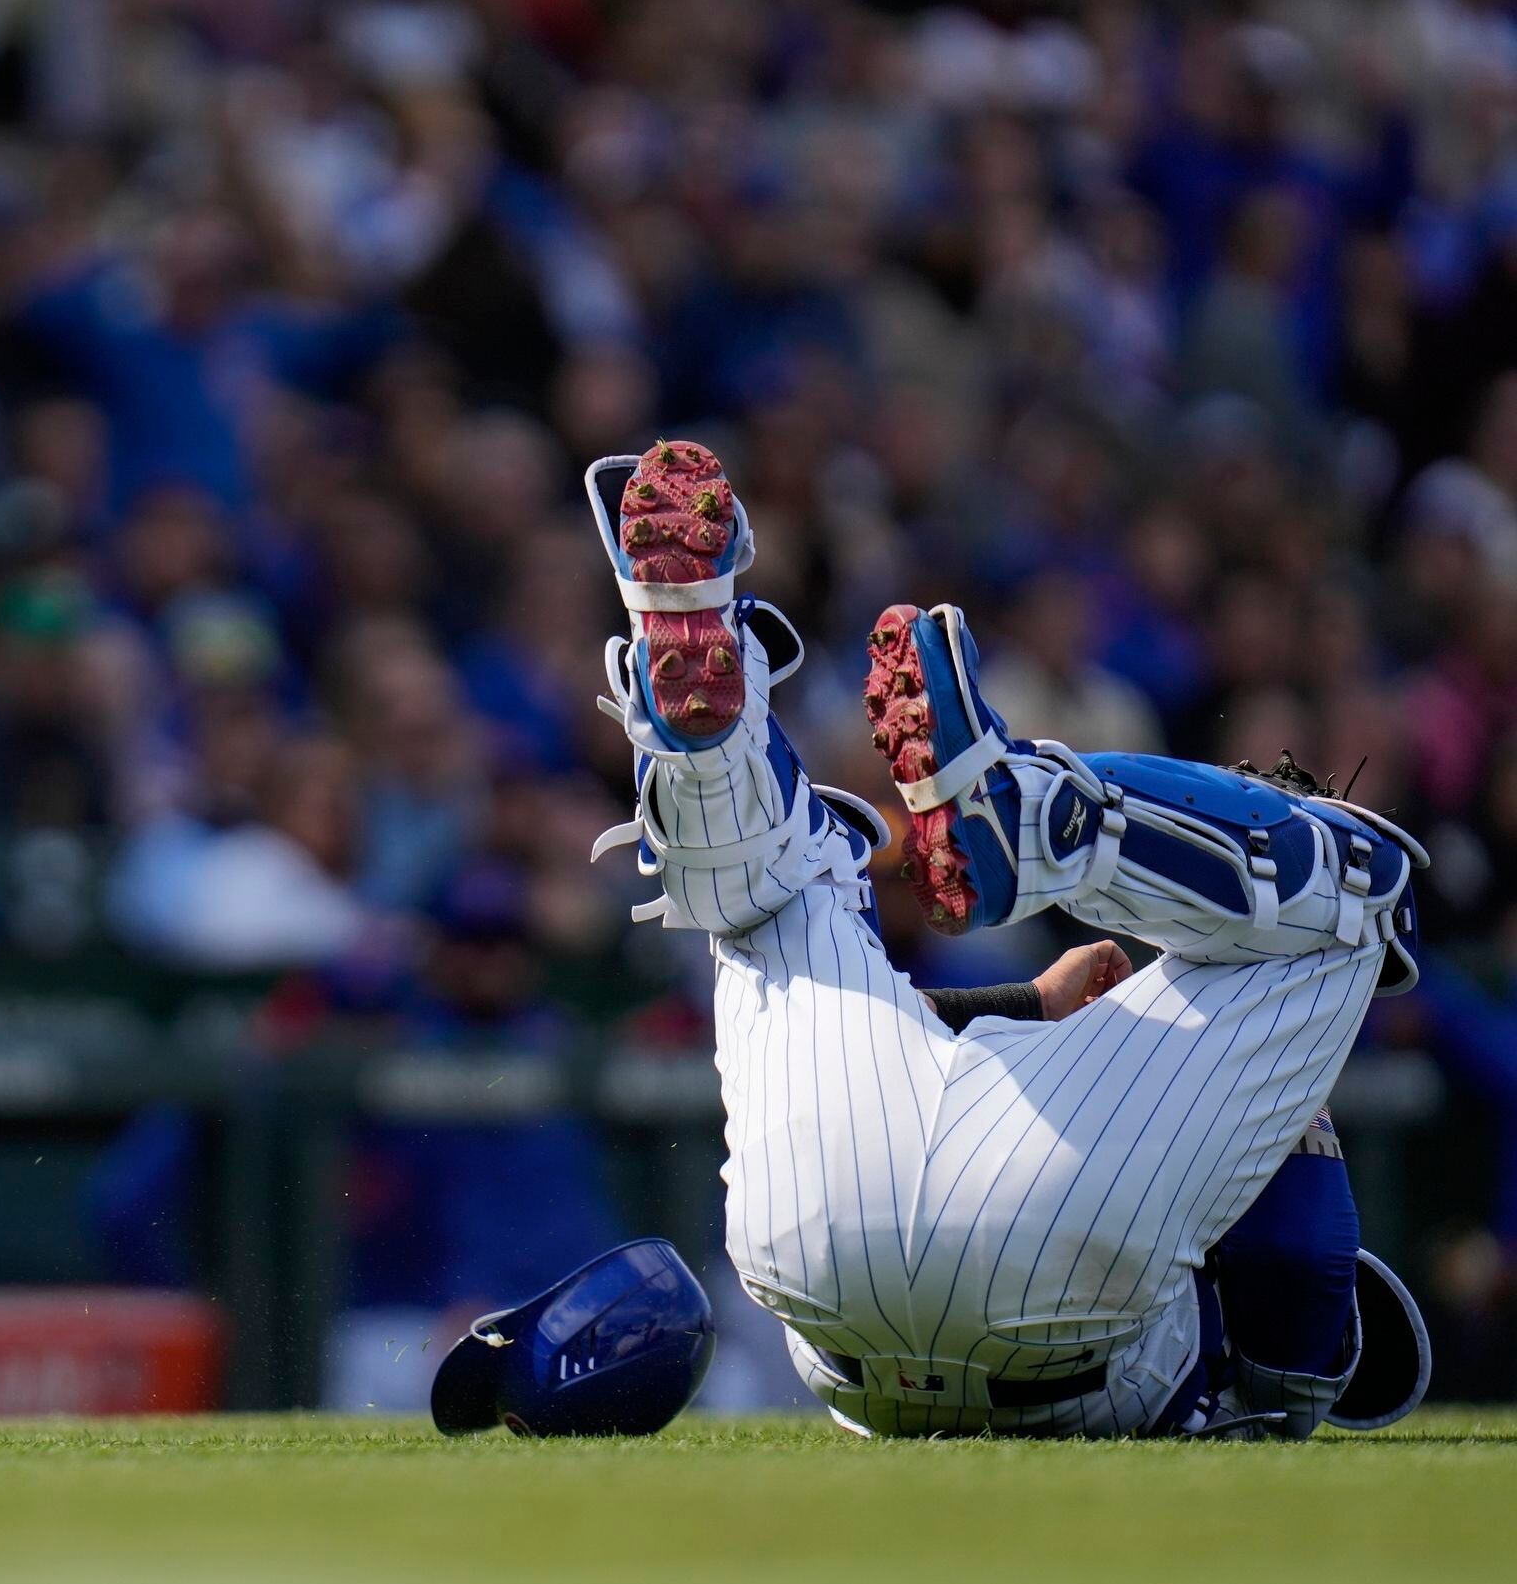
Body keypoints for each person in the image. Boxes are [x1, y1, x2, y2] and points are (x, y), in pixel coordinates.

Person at [586, 440, 1429, 1438]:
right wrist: (1032, 1006)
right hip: (909, 1317)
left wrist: (1050, 1012)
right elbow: (1297, 1266)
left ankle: (980, 803)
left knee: (1368, 888)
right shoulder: (1232, 1336)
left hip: (857, 1252)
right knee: (780, 900)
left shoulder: (1223, 1310)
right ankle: (950, 804)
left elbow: (1306, 1264)